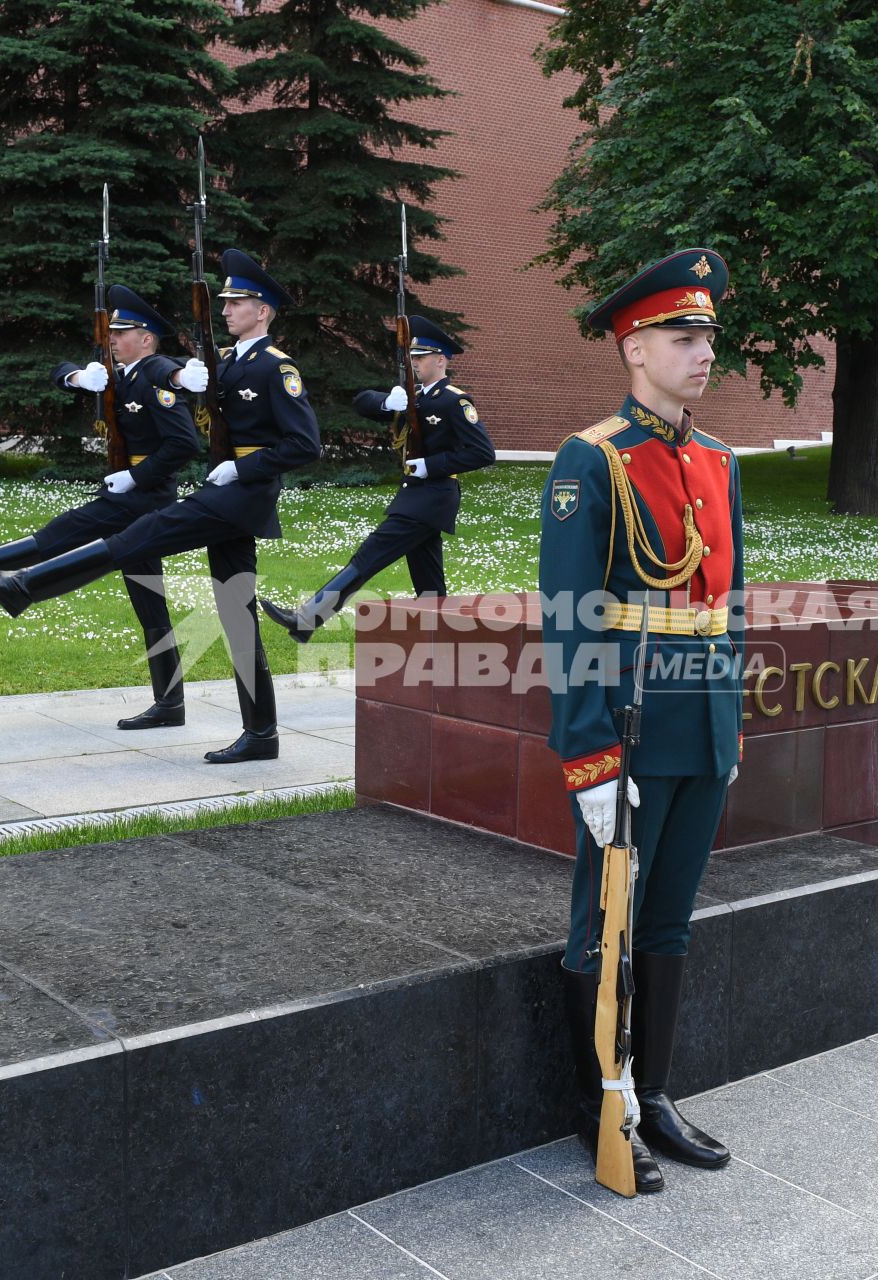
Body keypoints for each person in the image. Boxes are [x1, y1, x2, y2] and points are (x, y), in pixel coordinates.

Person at [539, 248, 744, 1194]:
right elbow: (570, 615)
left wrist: (728, 728)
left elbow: (727, 604)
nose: (703, 351)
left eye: (706, 334)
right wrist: (587, 759)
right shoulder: (593, 461)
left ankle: (653, 1092)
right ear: (634, 348)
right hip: (627, 727)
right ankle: (602, 1105)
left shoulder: (716, 461)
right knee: (604, 926)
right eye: (681, 335)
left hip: (698, 726)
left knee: (668, 920)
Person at [0, 250, 322, 764]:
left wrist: (243, 469)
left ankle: (23, 587)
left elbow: (305, 445)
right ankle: (262, 733)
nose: (226, 309)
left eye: (236, 302)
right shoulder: (229, 361)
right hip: (230, 494)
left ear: (262, 311)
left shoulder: (274, 366)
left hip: (240, 495)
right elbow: (163, 375)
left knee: (142, 534)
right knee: (235, 612)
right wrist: (180, 379)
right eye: (224, 301)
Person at [0, 285, 198, 730]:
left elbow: (183, 442)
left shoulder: (154, 371)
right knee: (149, 602)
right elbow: (59, 370)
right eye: (113, 332)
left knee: (55, 537)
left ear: (147, 338)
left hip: (141, 497)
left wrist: (136, 476)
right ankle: (171, 704)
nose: (114, 339)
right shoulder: (122, 373)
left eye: (124, 332)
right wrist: (80, 378)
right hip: (136, 497)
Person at [259, 315, 495, 640]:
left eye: (420, 357)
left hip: (432, 496)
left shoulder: (455, 400)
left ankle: (308, 618)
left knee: (370, 555)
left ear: (440, 360)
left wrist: (432, 465)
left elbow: (483, 452)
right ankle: (448, 643)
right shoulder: (415, 397)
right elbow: (361, 403)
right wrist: (387, 401)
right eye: (412, 358)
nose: (414, 363)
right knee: (429, 582)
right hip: (417, 496)